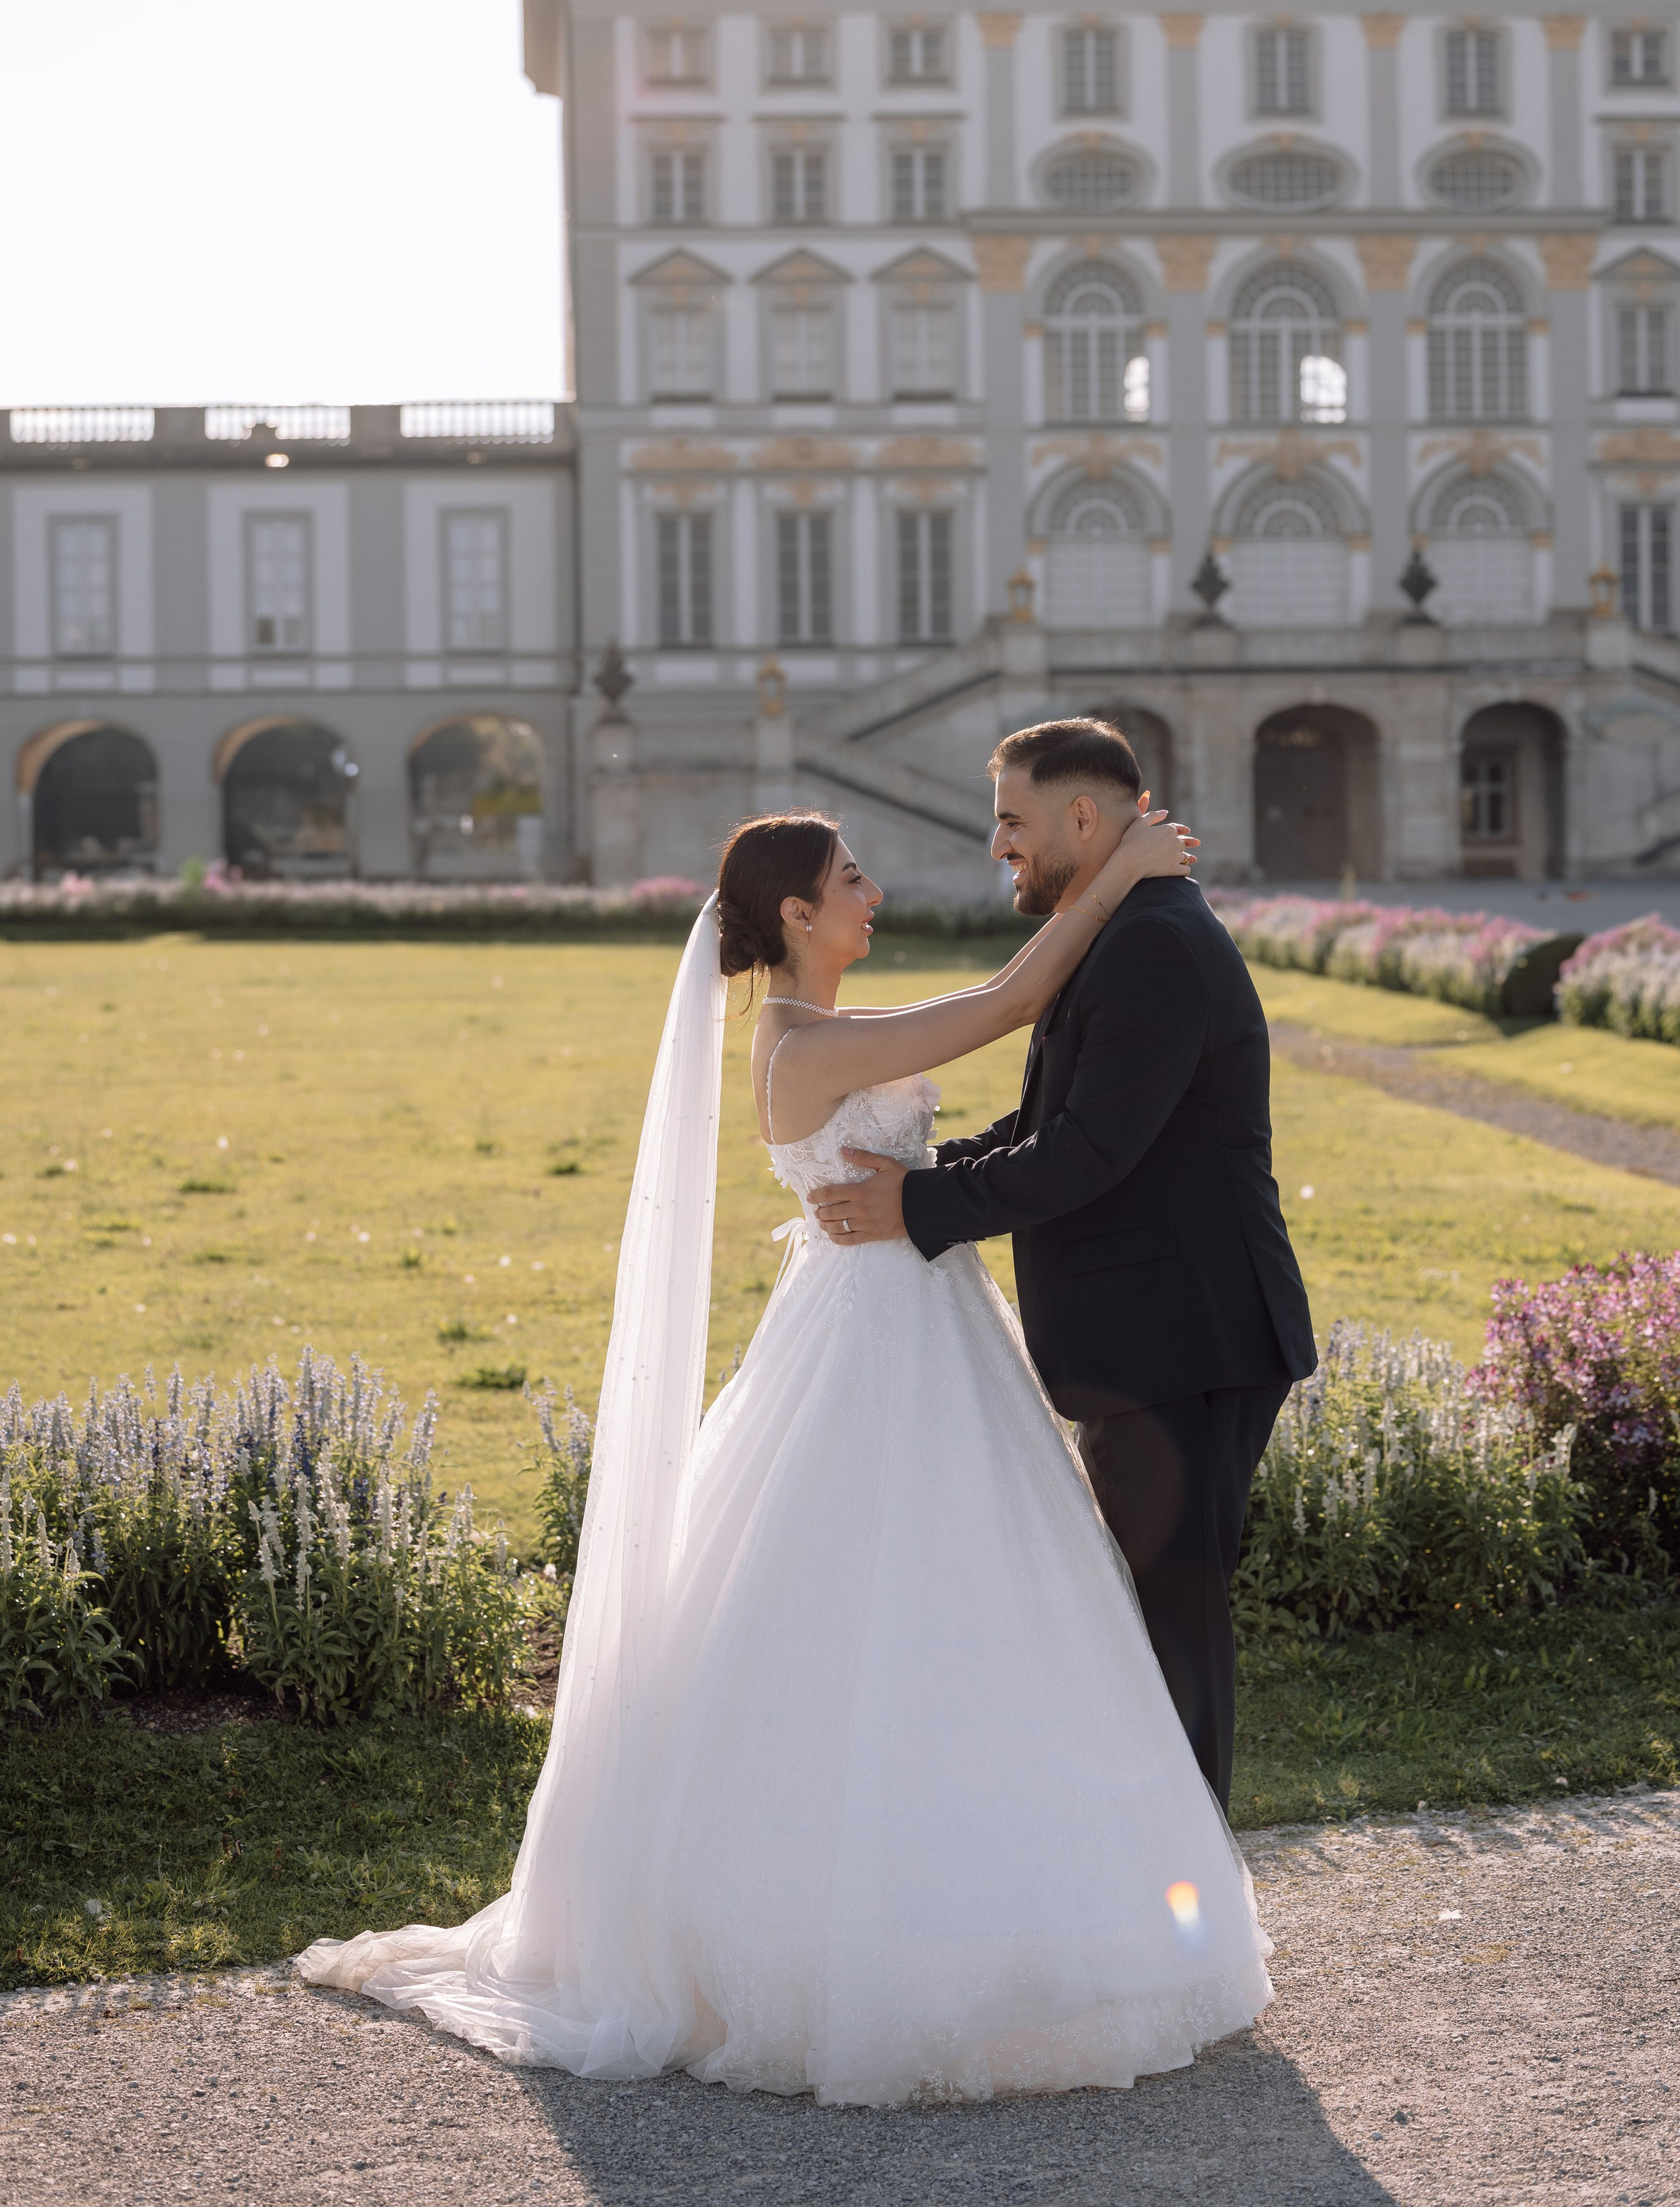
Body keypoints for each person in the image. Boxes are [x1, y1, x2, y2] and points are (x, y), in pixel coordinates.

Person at [297, 790, 1277, 2106]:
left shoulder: (822, 1031)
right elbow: (1003, 1000)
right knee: (854, 1599)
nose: (873, 891)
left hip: (908, 1314)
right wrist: (1120, 876)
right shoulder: (804, 1043)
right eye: (851, 876)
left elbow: (981, 1048)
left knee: (969, 1600)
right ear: (798, 915)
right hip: (874, 1336)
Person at [808, 717, 1316, 1809]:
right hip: (1154, 1338)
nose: (999, 845)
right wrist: (927, 1167)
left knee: (1169, 1621)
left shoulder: (1156, 944)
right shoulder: (1125, 929)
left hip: (1187, 1337)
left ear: (1082, 818)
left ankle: (1190, 1904)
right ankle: (1165, 1881)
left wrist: (923, 1203)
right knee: (1137, 1620)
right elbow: (1050, 1117)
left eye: (1012, 821)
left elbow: (1088, 1152)